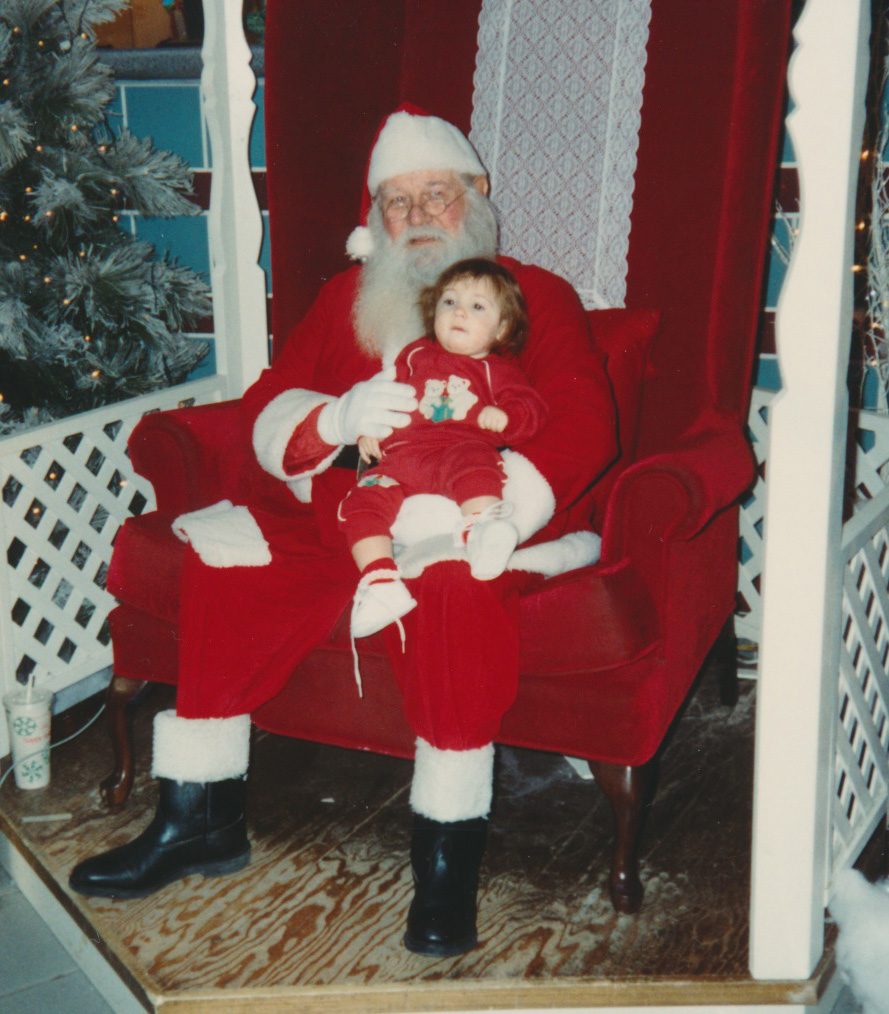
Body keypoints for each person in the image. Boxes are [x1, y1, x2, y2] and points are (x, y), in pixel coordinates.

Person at [69, 107, 617, 957]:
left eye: (436, 194)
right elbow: (268, 407)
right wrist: (332, 419)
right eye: (396, 202)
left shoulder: (527, 296)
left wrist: (487, 512)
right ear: (374, 218)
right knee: (225, 558)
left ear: (476, 197)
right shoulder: (342, 301)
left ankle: (444, 865)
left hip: (467, 522)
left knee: (449, 593)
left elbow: (581, 422)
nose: (416, 215)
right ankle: (197, 820)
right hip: (341, 516)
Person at [343, 257, 548, 641]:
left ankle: (483, 531)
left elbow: (531, 409)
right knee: (363, 499)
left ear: (502, 328)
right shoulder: (414, 355)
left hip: (459, 447)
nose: (459, 312)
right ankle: (380, 581)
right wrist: (369, 429)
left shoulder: (497, 370)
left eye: (477, 306)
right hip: (401, 457)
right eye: (449, 302)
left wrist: (505, 416)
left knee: (475, 465)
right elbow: (385, 395)